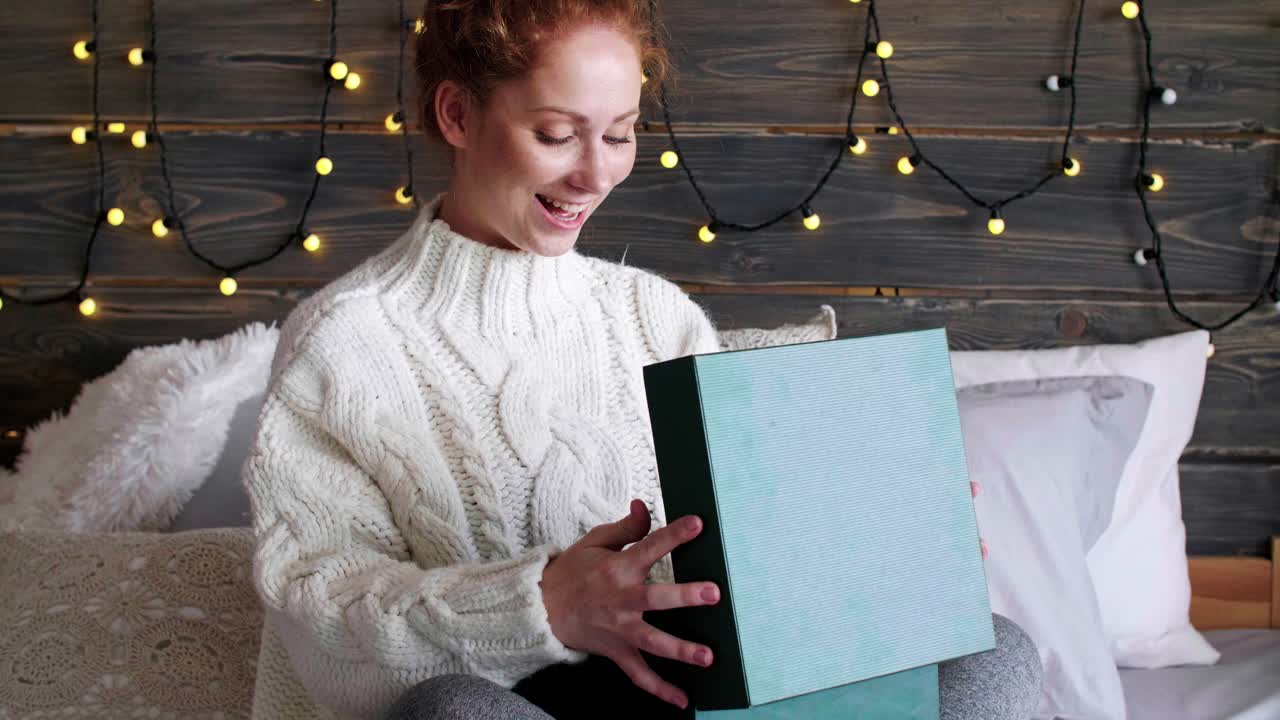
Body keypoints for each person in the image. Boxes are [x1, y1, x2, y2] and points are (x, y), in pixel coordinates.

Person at [242, 1, 1043, 718]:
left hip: (710, 696)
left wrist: (886, 556)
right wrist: (543, 607)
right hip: (534, 708)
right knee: (449, 712)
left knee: (995, 651)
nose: (595, 173)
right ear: (457, 113)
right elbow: (323, 632)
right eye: (557, 135)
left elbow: (749, 568)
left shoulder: (655, 315)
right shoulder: (343, 345)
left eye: (620, 134)